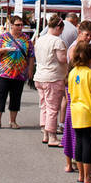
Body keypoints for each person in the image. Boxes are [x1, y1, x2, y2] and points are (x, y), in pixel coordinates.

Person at [0, 15, 34, 129]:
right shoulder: (3, 37)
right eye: (17, 25)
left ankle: (13, 121)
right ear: (11, 25)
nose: (20, 27)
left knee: (16, 97)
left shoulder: (26, 39)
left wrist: (30, 70)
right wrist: (4, 49)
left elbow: (31, 55)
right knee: (0, 96)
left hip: (19, 73)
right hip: (3, 72)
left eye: (21, 25)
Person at [68, 41, 91, 183]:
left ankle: (81, 175)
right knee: (87, 143)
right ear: (90, 59)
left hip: (75, 111)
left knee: (79, 143)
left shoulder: (72, 72)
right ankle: (88, 176)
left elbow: (70, 92)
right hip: (88, 112)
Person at [34, 14, 68, 146]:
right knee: (53, 108)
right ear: (58, 27)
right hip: (53, 78)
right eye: (61, 30)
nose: (61, 33)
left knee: (44, 106)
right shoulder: (57, 41)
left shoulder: (40, 39)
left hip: (40, 76)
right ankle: (52, 136)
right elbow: (62, 59)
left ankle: (45, 133)